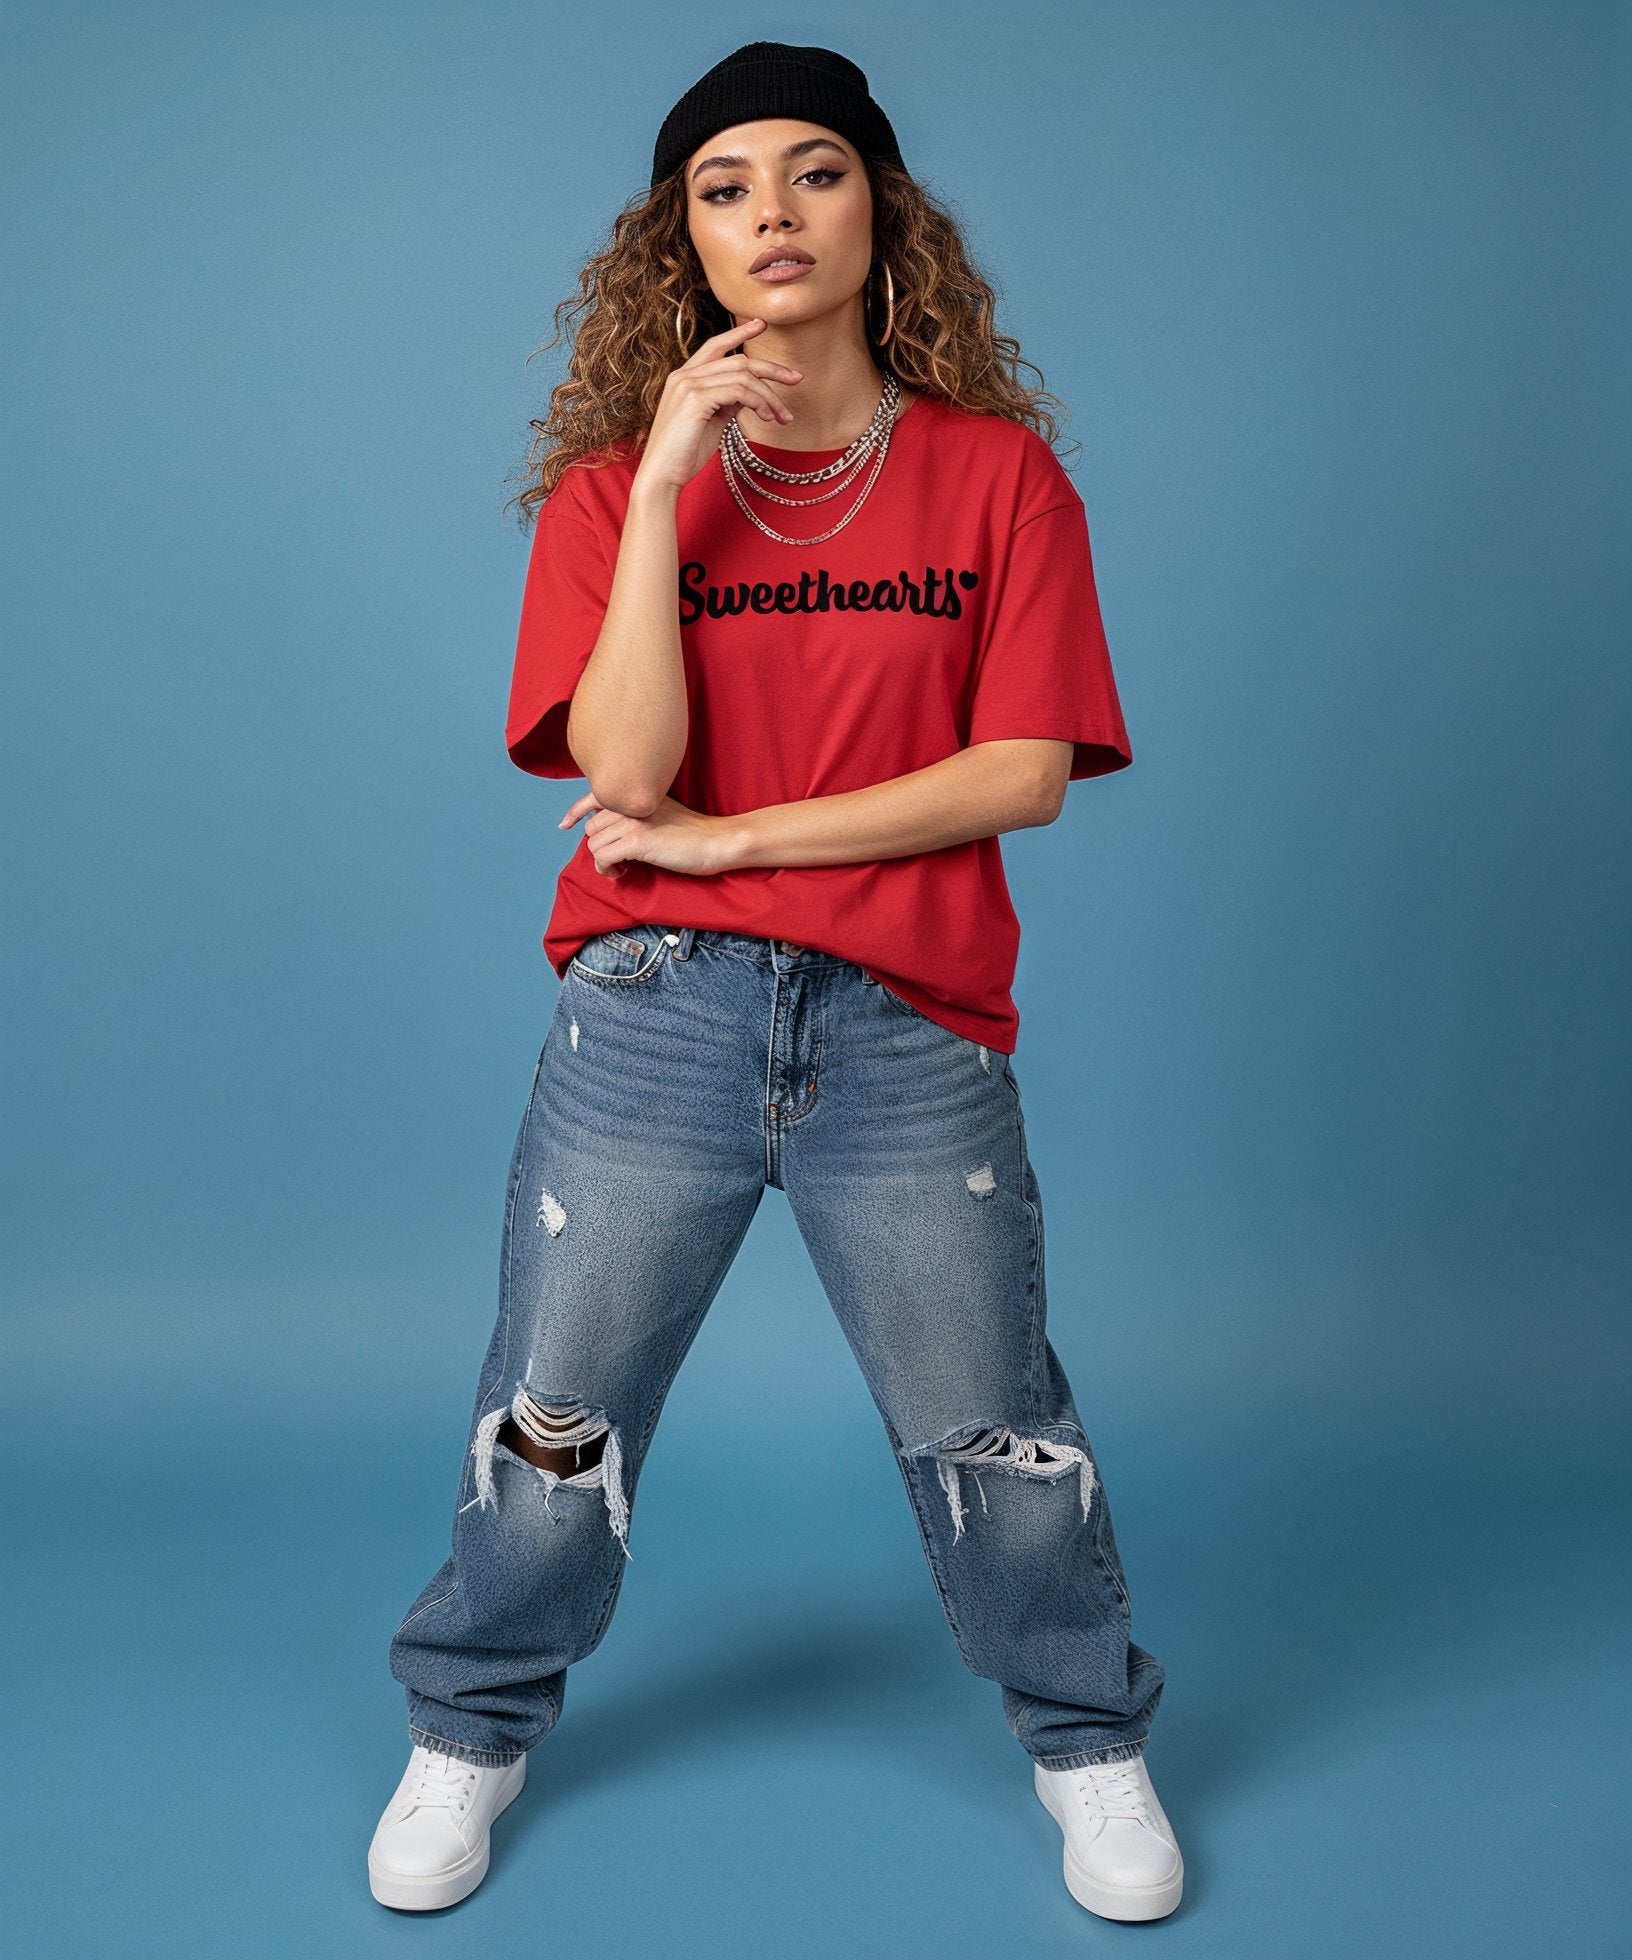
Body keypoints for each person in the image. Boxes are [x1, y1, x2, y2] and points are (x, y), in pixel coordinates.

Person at [368, 40, 1183, 1925]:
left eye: (814, 172)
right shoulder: (604, 500)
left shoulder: (996, 482)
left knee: (995, 1411)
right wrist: (664, 484)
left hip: (904, 1025)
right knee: (553, 1406)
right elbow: (630, 777)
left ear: (881, 207)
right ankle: (471, 1726)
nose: (773, 214)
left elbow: (1023, 774)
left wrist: (746, 845)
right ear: (687, 245)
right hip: (655, 1011)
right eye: (725, 187)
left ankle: (1088, 1739)